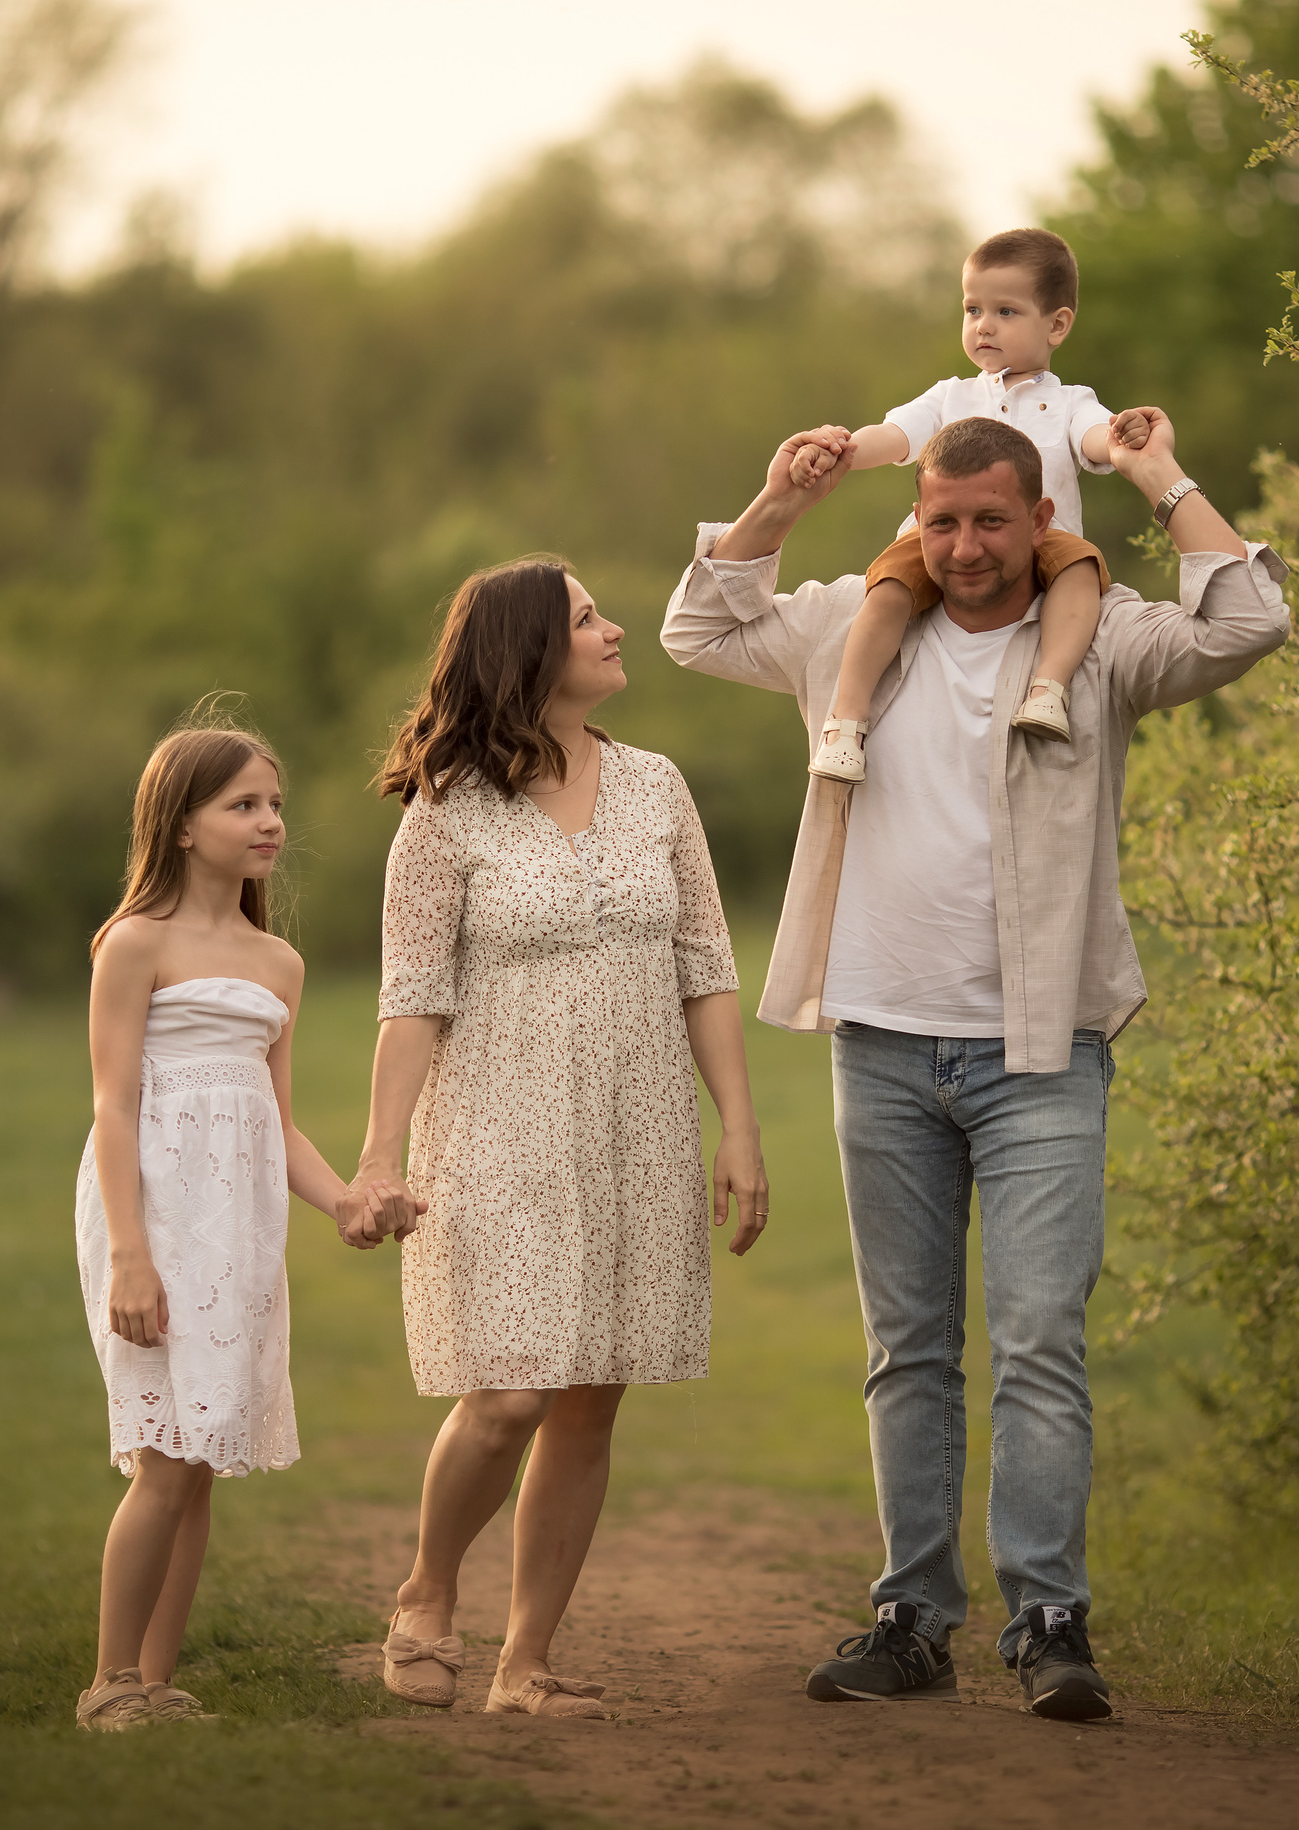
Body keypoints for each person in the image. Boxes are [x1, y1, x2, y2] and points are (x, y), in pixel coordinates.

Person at [662, 411, 1292, 1721]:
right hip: (882, 1041)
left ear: (1039, 515)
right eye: (940, 520)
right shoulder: (855, 624)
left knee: (1040, 1342)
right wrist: (778, 500)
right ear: (919, 519)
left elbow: (1245, 622)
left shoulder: (1104, 639)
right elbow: (702, 626)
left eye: (989, 521)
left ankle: (1050, 1620)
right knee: (909, 1349)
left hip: (1041, 1050)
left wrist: (1162, 474)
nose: (961, 546)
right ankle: (913, 1617)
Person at [350, 557, 769, 1719]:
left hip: (638, 1128)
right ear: (530, 653)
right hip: (498, 1128)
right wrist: (381, 1157)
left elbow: (706, 968)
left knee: (590, 1400)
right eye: (588, 619)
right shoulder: (445, 819)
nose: (614, 629)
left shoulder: (657, 787)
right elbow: (411, 996)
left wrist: (737, 1127)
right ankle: (428, 1590)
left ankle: (525, 1665)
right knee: (509, 1395)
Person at [73, 719, 390, 1732]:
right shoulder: (135, 944)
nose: (270, 823)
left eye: (275, 803)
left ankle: (156, 1685)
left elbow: (275, 1115)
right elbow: (112, 1105)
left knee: (199, 1456)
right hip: (155, 1211)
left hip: (236, 1219)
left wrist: (342, 1196)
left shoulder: (277, 962)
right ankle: (107, 1685)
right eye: (243, 805)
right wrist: (130, 1252)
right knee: (162, 1457)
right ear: (179, 825)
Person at [803, 226, 1151, 784]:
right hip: (940, 538)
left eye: (1006, 311)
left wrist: (1122, 436)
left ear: (1056, 324)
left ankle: (1048, 687)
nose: (983, 325)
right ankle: (845, 720)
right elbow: (894, 436)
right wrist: (839, 450)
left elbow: (1095, 440)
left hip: (1043, 539)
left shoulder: (1068, 402)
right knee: (887, 586)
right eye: (972, 309)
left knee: (1082, 570)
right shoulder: (952, 395)